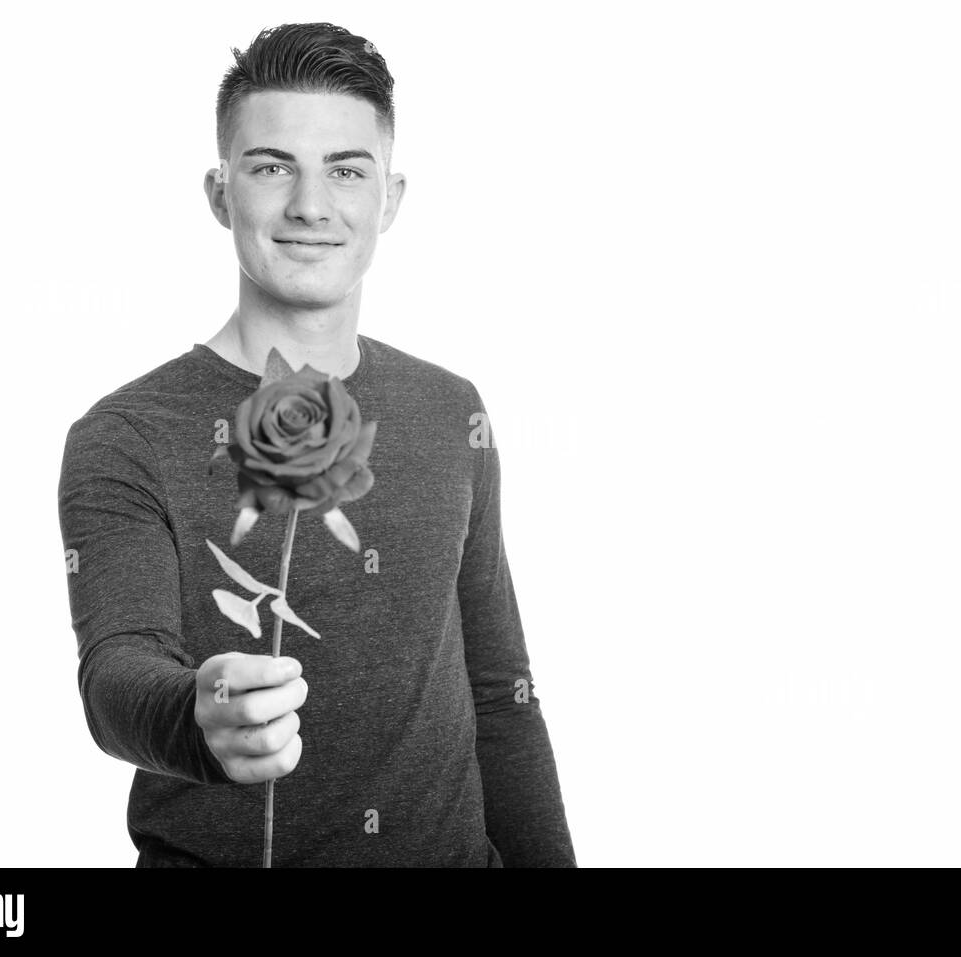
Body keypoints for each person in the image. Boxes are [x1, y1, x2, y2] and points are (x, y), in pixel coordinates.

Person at [57, 22, 576, 867]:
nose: (310, 204)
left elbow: (502, 695)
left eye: (345, 169)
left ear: (390, 198)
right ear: (221, 194)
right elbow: (117, 671)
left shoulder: (453, 412)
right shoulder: (125, 434)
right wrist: (196, 712)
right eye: (271, 167)